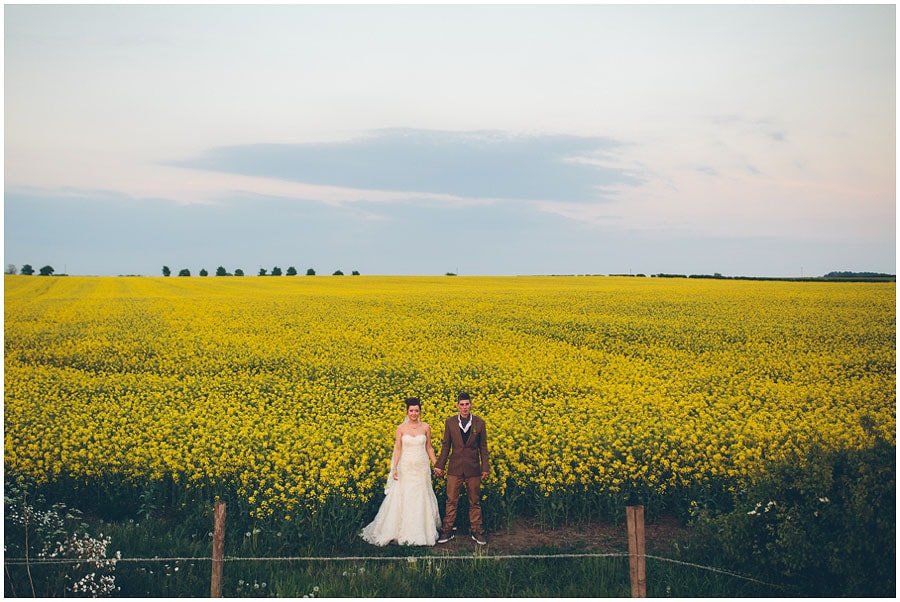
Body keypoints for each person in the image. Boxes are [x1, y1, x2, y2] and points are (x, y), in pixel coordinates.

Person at [361, 397, 442, 546]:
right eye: (411, 410)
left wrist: (436, 464)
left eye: (416, 410)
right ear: (407, 412)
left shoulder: (426, 427)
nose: (414, 413)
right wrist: (395, 468)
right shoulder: (401, 428)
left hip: (421, 467)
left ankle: (422, 531)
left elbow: (429, 447)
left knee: (421, 495)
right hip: (406, 466)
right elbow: (398, 449)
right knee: (404, 495)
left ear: (420, 412)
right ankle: (400, 531)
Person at [434, 392, 490, 545]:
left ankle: (477, 531)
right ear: (458, 406)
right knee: (451, 500)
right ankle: (447, 530)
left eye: (467, 404)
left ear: (471, 405)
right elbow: (446, 445)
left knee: (475, 501)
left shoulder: (480, 423)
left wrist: (485, 467)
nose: (464, 407)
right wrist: (440, 465)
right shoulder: (450, 422)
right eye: (462, 404)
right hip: (455, 468)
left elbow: (483, 447)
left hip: (473, 468)